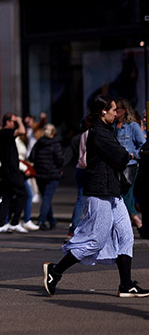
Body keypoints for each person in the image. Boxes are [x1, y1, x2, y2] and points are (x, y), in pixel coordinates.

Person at [44, 94, 149, 298]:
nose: (116, 113)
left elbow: (119, 154)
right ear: (103, 112)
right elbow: (119, 155)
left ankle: (126, 285)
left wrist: (124, 154)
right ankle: (55, 271)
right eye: (113, 110)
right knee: (95, 240)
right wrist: (128, 154)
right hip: (99, 193)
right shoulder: (98, 133)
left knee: (126, 235)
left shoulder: (107, 131)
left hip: (112, 192)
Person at [0, 113, 30, 234]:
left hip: (8, 170)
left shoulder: (5, 134)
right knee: (23, 195)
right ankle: (14, 222)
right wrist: (19, 121)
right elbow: (22, 131)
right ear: (8, 122)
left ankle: (0, 223)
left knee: (7, 196)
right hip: (11, 171)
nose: (15, 124)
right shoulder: (5, 132)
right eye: (13, 122)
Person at [114, 97, 144, 229]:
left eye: (117, 109)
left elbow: (143, 145)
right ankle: (129, 221)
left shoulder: (132, 126)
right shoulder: (114, 127)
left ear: (124, 110)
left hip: (130, 165)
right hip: (116, 165)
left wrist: (133, 154)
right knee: (118, 194)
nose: (115, 112)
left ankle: (136, 219)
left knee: (126, 193)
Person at [29, 124, 64, 231]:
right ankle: (42, 220)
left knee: (46, 198)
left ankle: (52, 220)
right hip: (52, 174)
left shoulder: (38, 143)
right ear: (53, 132)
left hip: (40, 175)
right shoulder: (55, 144)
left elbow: (31, 157)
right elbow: (60, 160)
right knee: (47, 198)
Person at [68, 119, 90, 237]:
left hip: (80, 167)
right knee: (91, 200)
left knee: (81, 199)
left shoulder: (83, 134)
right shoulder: (92, 133)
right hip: (88, 168)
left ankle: (74, 227)